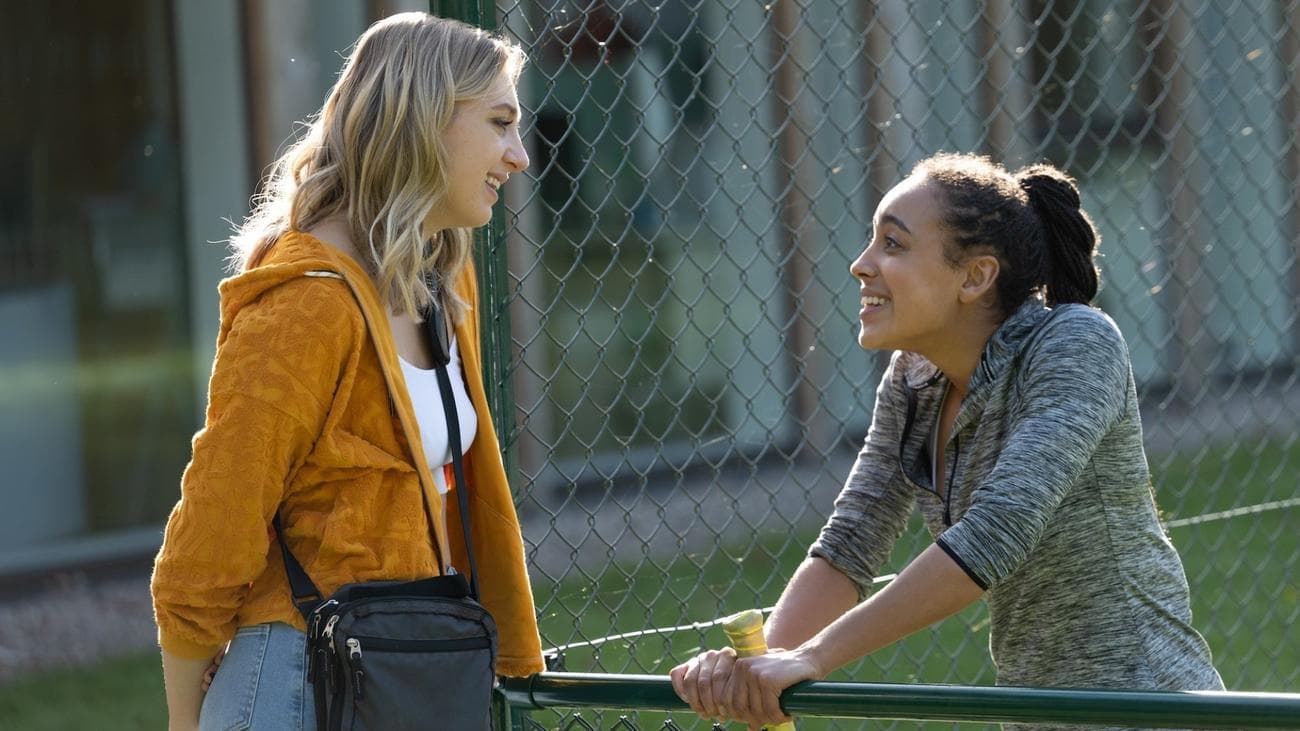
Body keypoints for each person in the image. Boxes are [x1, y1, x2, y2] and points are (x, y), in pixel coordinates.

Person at [670, 153, 1223, 730]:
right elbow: (849, 545)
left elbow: (994, 534)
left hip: (1153, 708)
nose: (861, 265)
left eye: (894, 244)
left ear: (976, 276)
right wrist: (759, 668)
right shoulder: (914, 380)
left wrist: (808, 658)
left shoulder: (1075, 343)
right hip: (1038, 718)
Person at [150, 13, 543, 730]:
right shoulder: (307, 301)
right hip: (297, 687)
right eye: (499, 122)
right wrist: (186, 716)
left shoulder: (439, 284)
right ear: (422, 121)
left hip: (395, 678)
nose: (519, 155)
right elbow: (214, 525)